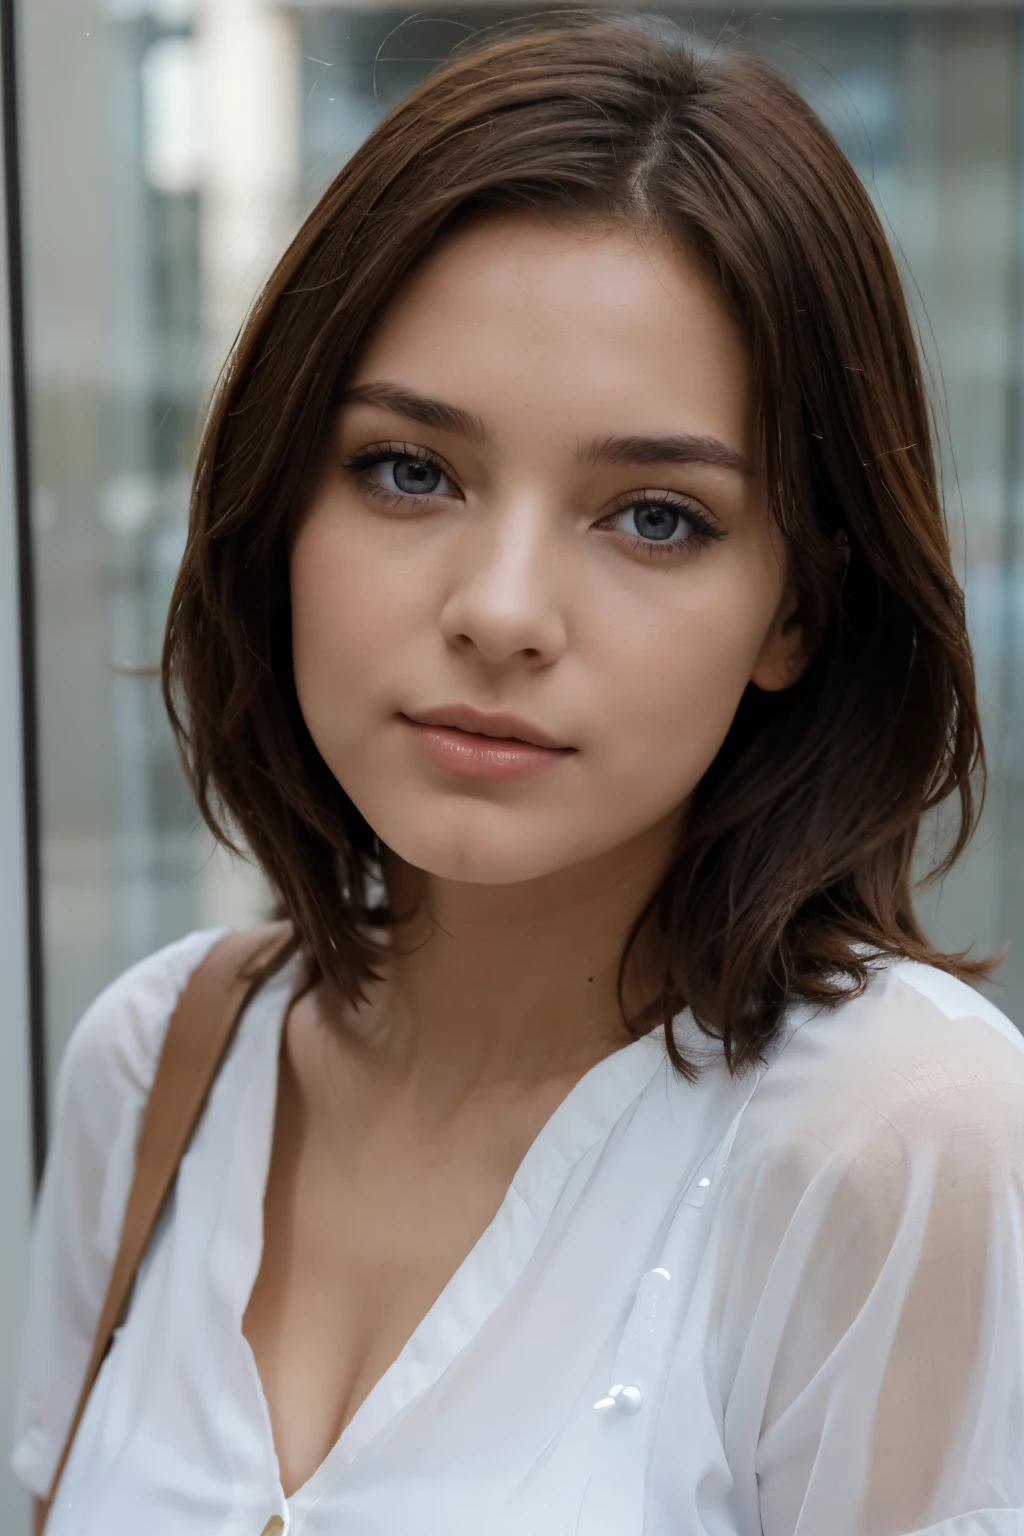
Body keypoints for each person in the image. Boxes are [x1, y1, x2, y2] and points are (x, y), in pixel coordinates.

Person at [14, 13, 1024, 1535]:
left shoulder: (895, 1143)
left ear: (798, 609)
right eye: (410, 471)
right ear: (281, 501)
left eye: (656, 515)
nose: (498, 609)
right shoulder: (156, 1061)